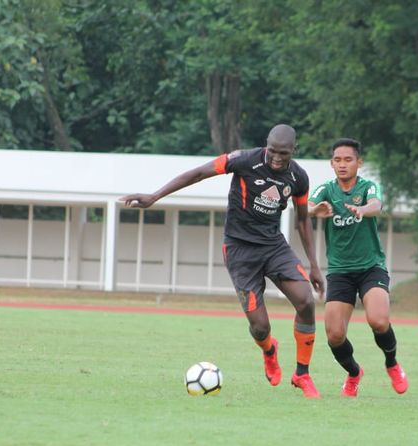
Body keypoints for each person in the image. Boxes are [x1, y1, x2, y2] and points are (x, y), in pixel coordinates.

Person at [121, 124, 325, 398]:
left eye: (284, 154)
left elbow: (302, 220)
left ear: (294, 151)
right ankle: (269, 350)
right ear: (266, 145)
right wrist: (154, 196)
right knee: (260, 326)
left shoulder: (298, 177)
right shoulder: (243, 160)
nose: (277, 158)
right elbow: (198, 173)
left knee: (306, 301)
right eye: (273, 151)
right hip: (240, 250)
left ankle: (302, 373)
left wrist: (313, 264)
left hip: (274, 247)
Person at [308, 138, 408, 397]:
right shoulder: (326, 190)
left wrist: (363, 209)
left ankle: (392, 364)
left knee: (378, 320)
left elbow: (377, 205)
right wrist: (314, 210)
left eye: (348, 159)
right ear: (332, 163)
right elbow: (306, 206)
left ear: (358, 163)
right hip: (340, 271)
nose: (342, 164)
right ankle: (353, 373)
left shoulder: (368, 188)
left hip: (370, 267)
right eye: (338, 160)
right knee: (334, 335)